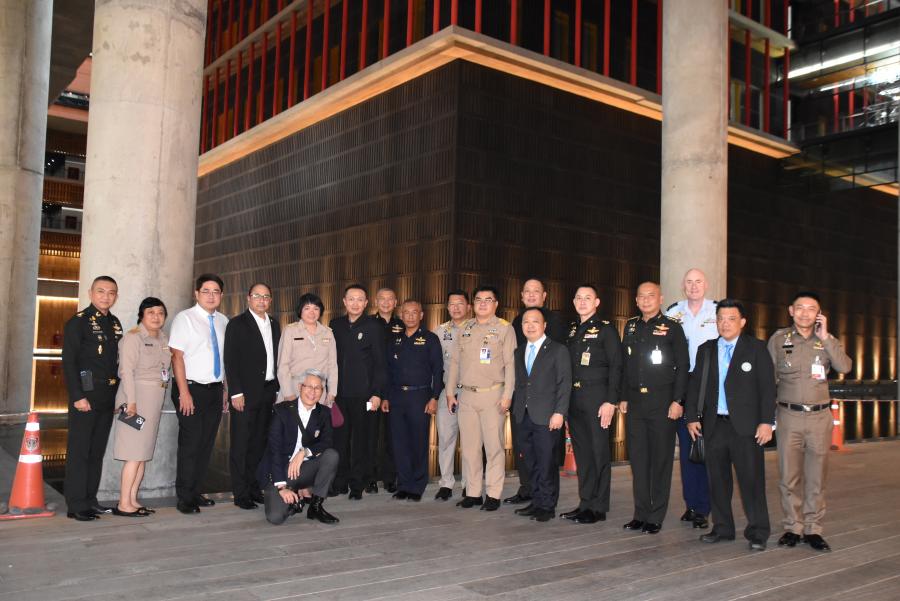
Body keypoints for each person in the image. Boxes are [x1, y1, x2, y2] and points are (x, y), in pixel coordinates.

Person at [687, 299, 775, 551]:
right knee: (717, 481)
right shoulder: (706, 349)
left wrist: (766, 422)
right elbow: (695, 386)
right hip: (714, 426)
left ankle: (758, 531)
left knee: (752, 481)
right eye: (721, 319)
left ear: (743, 322)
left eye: (731, 319)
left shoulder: (756, 348)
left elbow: (768, 389)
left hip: (746, 428)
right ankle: (723, 528)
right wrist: (691, 417)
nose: (725, 324)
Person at [768, 292, 852, 552]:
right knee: (788, 477)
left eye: (811, 309)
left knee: (816, 477)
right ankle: (793, 527)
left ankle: (813, 528)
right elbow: (767, 377)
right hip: (788, 416)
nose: (805, 313)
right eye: (800, 308)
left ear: (819, 314)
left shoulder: (827, 340)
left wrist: (825, 337)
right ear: (791, 311)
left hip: (819, 418)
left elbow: (844, 367)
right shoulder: (779, 339)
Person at [620, 281, 689, 534]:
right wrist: (623, 396)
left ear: (660, 299)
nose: (646, 300)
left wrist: (678, 400)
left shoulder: (672, 327)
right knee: (638, 461)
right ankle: (640, 513)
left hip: (663, 402)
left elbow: (683, 366)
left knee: (660, 460)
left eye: (651, 296)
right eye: (641, 296)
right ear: (636, 300)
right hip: (635, 403)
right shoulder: (630, 326)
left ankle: (656, 515)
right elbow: (625, 365)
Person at [446, 285, 516, 512]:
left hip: (493, 395)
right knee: (469, 449)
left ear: (496, 304)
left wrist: (507, 395)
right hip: (466, 395)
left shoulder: (505, 329)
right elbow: (454, 363)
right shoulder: (465, 328)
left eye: (488, 299)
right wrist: (450, 392)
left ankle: (493, 494)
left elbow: (511, 365)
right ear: (473, 304)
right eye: (478, 299)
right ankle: (473, 492)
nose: (483, 303)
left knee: (494, 448)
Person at [62, 276, 124, 521]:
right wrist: (77, 396)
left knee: (96, 451)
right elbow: (69, 362)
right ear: (90, 293)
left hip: (107, 395)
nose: (106, 296)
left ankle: (90, 499)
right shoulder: (78, 322)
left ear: (116, 296)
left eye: (111, 292)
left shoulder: (114, 323)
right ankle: (76, 504)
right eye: (101, 291)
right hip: (86, 395)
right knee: (80, 451)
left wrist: (118, 396)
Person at [561, 284, 622, 524]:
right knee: (583, 454)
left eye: (588, 298)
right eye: (578, 297)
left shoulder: (606, 330)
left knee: (598, 454)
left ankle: (598, 507)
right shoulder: (572, 329)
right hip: (574, 399)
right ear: (574, 302)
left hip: (598, 399)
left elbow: (616, 366)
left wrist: (611, 401)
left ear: (596, 302)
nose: (582, 301)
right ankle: (585, 502)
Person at [168, 273, 229, 514]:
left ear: (221, 295)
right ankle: (184, 497)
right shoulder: (185, 319)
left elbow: (224, 359)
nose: (211, 296)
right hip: (190, 389)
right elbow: (177, 357)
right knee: (191, 443)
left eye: (216, 292)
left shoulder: (223, 321)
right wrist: (184, 392)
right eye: (206, 291)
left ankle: (196, 491)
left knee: (206, 443)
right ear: (196, 293)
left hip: (215, 390)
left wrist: (225, 390)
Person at [506, 278, 568, 505]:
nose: (530, 326)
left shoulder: (556, 335)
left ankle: (546, 503)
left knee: (546, 460)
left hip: (546, 409)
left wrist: (559, 411)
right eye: (527, 291)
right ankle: (531, 495)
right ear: (522, 296)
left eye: (536, 291)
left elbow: (561, 378)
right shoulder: (518, 335)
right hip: (523, 409)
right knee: (528, 456)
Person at [664, 268, 717, 529]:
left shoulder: (717, 311)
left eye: (698, 281)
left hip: (708, 386)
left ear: (705, 285)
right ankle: (692, 504)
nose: (693, 286)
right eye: (689, 282)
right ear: (683, 286)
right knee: (687, 449)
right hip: (681, 385)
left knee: (704, 448)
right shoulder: (672, 313)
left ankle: (704, 506)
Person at [224, 283, 282, 510]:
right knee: (241, 444)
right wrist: (235, 392)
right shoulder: (237, 324)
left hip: (268, 392)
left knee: (259, 443)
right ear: (248, 298)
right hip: (245, 394)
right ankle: (240, 494)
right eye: (257, 296)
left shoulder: (274, 324)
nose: (262, 300)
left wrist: (276, 389)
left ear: (270, 300)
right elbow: (231, 360)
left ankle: (253, 487)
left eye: (266, 296)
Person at [112, 297, 171, 517]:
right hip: (135, 400)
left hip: (153, 400)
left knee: (143, 453)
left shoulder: (163, 338)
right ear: (142, 316)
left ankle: (132, 499)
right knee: (133, 453)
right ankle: (123, 503)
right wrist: (131, 402)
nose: (156, 317)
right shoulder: (133, 338)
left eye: (160, 313)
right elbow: (126, 372)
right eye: (151, 313)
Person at [329, 284, 387, 500]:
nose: (355, 303)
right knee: (339, 440)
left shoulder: (374, 326)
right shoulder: (335, 325)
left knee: (361, 441)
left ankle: (357, 485)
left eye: (360, 299)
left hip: (365, 395)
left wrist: (377, 393)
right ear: (344, 302)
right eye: (351, 299)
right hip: (339, 395)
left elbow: (381, 363)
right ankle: (340, 482)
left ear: (366, 303)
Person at [384, 300, 443, 501]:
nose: (410, 316)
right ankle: (404, 484)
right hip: (397, 397)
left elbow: (438, 370)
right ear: (401, 315)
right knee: (399, 443)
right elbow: (388, 371)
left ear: (421, 315)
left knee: (418, 442)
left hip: (420, 396)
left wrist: (434, 397)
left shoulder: (430, 339)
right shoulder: (395, 340)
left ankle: (417, 486)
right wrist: (386, 397)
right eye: (406, 312)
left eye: (414, 312)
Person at [263, 369, 339, 525]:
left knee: (331, 455)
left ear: (322, 391)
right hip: (283, 472)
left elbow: (327, 442)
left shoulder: (324, 413)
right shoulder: (282, 411)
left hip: (305, 469)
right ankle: (295, 501)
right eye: (309, 386)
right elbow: (274, 450)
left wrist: (304, 452)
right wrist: (282, 487)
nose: (313, 392)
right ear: (300, 387)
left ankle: (315, 507)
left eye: (317, 388)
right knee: (275, 517)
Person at [432, 290, 471, 501]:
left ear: (468, 306)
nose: (455, 308)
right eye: (452, 304)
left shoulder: (477, 329)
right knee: (446, 439)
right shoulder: (440, 331)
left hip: (471, 392)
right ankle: (446, 483)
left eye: (460, 303)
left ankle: (469, 484)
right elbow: (434, 365)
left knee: (471, 441)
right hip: (447, 392)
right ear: (447, 307)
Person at [277, 292, 338, 405]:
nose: (312, 312)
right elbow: (283, 365)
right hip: (294, 390)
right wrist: (288, 394)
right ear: (300, 310)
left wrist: (332, 393)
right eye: (307, 308)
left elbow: (332, 366)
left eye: (316, 308)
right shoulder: (290, 331)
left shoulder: (327, 333)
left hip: (319, 392)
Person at [370, 287, 402, 493]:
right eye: (382, 299)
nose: (386, 302)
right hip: (372, 389)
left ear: (395, 302)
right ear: (376, 301)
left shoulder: (402, 325)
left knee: (392, 436)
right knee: (370, 435)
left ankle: (390, 477)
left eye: (390, 299)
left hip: (395, 390)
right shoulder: (368, 323)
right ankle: (371, 478)